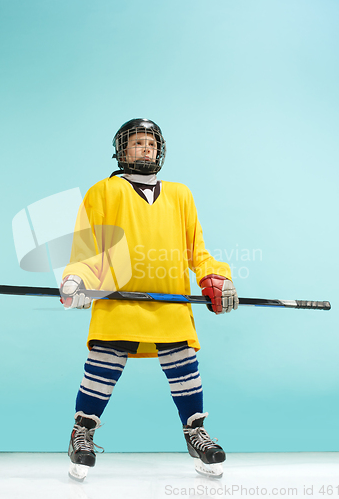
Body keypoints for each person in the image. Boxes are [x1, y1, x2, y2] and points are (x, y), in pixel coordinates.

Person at [60, 118, 239, 481]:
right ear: (122, 150)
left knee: (183, 365)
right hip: (117, 301)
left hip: (169, 301)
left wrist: (216, 278)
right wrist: (75, 279)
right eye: (138, 143)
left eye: (152, 144)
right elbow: (86, 246)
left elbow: (197, 251)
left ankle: (196, 433)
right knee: (103, 366)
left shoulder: (180, 194)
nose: (146, 149)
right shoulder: (103, 192)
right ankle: (82, 434)